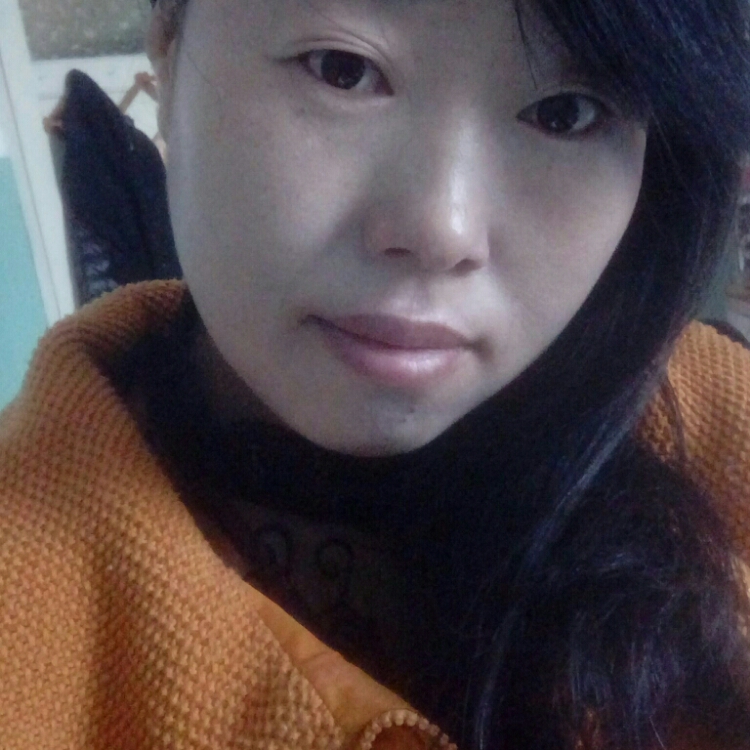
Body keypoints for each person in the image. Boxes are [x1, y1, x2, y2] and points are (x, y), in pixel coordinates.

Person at [2, 0, 750, 747]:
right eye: (342, 70)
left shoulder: (718, 426)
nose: (441, 230)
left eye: (566, 114)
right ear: (167, 44)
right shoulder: (26, 596)